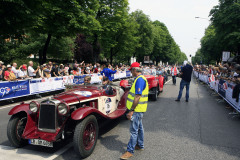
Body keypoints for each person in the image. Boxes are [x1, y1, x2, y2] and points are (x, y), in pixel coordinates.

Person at [120, 62, 149, 160]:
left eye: (131, 70)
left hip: (137, 110)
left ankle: (130, 151)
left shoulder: (140, 80)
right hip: (139, 109)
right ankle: (140, 145)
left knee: (133, 131)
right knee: (139, 128)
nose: (131, 72)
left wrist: (131, 110)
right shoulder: (140, 78)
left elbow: (137, 96)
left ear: (135, 70)